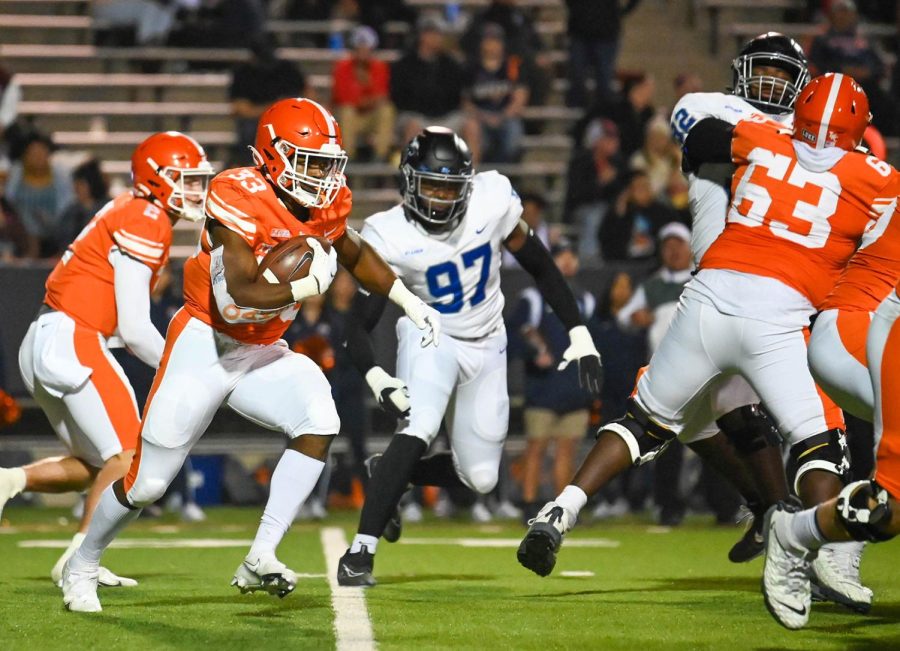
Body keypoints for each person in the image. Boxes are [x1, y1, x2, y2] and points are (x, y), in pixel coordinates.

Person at [519, 74, 897, 617]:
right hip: (782, 317)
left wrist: (771, 137)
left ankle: (560, 510)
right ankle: (825, 556)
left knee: (643, 420)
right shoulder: (876, 176)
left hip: (708, 298)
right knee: (818, 441)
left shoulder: (760, 137)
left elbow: (698, 142)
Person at [58, 98, 440, 613]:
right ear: (274, 156)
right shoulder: (236, 194)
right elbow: (237, 294)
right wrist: (305, 285)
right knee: (146, 483)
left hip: (261, 349)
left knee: (318, 417)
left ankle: (260, 553)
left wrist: (408, 300)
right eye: (313, 161)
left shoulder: (324, 204)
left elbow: (351, 250)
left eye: (330, 163)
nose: (325, 175)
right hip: (206, 342)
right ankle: (83, 563)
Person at [334, 127, 603, 587]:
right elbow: (358, 323)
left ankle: (393, 474)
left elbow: (539, 263)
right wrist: (377, 375)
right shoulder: (387, 234)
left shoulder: (492, 198)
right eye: (431, 186)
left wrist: (579, 331)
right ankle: (361, 550)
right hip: (430, 333)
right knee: (417, 426)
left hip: (487, 340)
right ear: (409, 182)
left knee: (479, 478)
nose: (440, 199)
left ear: (468, 186)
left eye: (449, 188)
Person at [0, 132, 214, 588]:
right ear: (159, 180)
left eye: (199, 181)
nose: (196, 191)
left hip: (45, 336)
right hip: (73, 336)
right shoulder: (147, 216)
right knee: (129, 457)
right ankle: (79, 563)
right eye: (187, 180)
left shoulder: (131, 210)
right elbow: (136, 330)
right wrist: (185, 369)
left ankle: (9, 481)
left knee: (100, 466)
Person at [762, 271, 900, 630]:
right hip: (868, 323)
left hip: (867, 316)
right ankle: (798, 535)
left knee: (893, 513)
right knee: (889, 508)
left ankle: (798, 532)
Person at [511, 238, 598, 519]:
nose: (568, 261)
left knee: (566, 451)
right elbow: (515, 336)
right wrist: (533, 353)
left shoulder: (586, 299)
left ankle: (563, 509)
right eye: (561, 256)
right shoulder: (534, 298)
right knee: (536, 447)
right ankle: (528, 502)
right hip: (543, 388)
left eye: (571, 255)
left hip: (574, 389)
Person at [390, 14, 469, 147]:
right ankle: (411, 167)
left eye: (440, 34)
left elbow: (457, 95)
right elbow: (399, 98)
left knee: (470, 126)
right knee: (412, 126)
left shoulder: (451, 64)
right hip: (416, 116)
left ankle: (471, 167)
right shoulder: (405, 64)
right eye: (435, 34)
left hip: (446, 116)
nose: (439, 38)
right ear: (423, 36)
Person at [229, 38, 311, 165]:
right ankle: (251, 165)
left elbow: (309, 97)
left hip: (289, 118)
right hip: (257, 121)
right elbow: (242, 109)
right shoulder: (243, 73)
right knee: (248, 130)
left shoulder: (287, 69)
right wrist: (274, 108)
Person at [461, 24, 529, 164]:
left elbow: (521, 95)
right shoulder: (471, 67)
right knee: (473, 132)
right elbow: (464, 101)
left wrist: (502, 116)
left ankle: (507, 175)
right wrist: (484, 117)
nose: (492, 45)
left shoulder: (511, 65)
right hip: (480, 117)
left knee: (512, 140)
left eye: (496, 41)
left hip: (506, 117)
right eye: (488, 40)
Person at [331, 25, 395, 162]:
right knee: (347, 111)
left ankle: (380, 157)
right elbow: (342, 98)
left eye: (366, 48)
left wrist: (366, 84)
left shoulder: (379, 67)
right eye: (359, 48)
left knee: (387, 110)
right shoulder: (342, 68)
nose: (363, 52)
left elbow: (381, 97)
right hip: (350, 117)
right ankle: (348, 158)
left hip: (371, 117)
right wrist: (365, 98)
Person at [5, 132, 74, 258]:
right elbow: (9, 201)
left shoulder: (59, 174)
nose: (38, 158)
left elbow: (67, 206)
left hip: (53, 229)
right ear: (25, 156)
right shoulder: (17, 173)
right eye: (33, 154)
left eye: (41, 153)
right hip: (23, 232)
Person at [564, 0, 641, 107]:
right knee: (577, 77)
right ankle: (584, 116)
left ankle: (600, 112)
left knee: (603, 82)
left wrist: (622, 12)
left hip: (606, 33)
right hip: (580, 31)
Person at [598, 170, 684, 262]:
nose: (644, 190)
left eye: (646, 186)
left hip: (655, 263)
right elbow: (608, 243)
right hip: (625, 264)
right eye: (638, 187)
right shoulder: (620, 212)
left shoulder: (664, 212)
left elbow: (675, 236)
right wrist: (619, 210)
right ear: (629, 191)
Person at [57, 159, 110, 251]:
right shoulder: (71, 210)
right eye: (75, 184)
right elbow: (60, 237)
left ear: (92, 184)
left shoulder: (109, 209)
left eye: (81, 184)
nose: (76, 188)